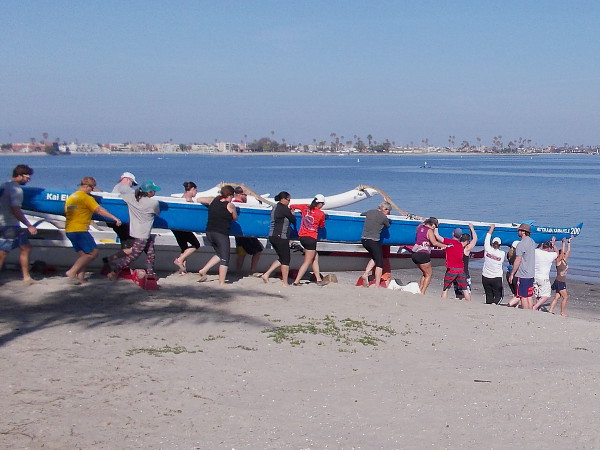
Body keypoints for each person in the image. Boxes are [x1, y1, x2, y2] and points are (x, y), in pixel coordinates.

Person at [65, 177, 122, 284]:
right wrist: (114, 218)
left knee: (84, 256)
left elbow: (70, 212)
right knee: (93, 252)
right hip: (79, 230)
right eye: (91, 188)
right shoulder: (86, 198)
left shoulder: (71, 197)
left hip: (69, 230)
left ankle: (81, 278)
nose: (92, 191)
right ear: (86, 186)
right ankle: (71, 272)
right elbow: (99, 210)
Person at [107, 181, 161, 281]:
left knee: (151, 253)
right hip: (143, 234)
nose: (155, 192)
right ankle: (114, 271)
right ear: (149, 192)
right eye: (153, 190)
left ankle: (150, 274)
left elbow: (120, 194)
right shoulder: (153, 203)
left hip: (138, 232)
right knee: (133, 255)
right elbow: (157, 213)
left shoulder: (131, 198)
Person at [0, 164, 38, 283]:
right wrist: (29, 225)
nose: (29, 179)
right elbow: (16, 209)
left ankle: (26, 277)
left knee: (26, 247)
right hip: (8, 224)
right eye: (28, 177)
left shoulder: (4, 185)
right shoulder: (16, 189)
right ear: (20, 176)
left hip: (10, 223)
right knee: (3, 253)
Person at [196, 185, 238, 285]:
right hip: (221, 233)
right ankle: (222, 282)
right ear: (230, 195)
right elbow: (235, 218)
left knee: (220, 254)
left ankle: (203, 270)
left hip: (209, 232)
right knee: (225, 258)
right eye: (232, 196)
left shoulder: (212, 200)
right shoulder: (230, 205)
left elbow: (199, 199)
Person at [102, 171, 138, 269]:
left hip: (116, 221)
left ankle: (123, 265)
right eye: (132, 183)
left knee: (126, 243)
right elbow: (137, 196)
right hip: (121, 221)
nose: (132, 185)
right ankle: (123, 266)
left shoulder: (117, 187)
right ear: (127, 179)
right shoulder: (123, 187)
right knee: (132, 246)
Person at [260, 191, 296, 286]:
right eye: (288, 200)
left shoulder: (275, 207)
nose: (289, 202)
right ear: (283, 199)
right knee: (286, 259)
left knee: (282, 258)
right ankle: (285, 282)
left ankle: (266, 274)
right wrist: (292, 214)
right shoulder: (283, 208)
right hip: (280, 236)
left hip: (273, 236)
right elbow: (293, 220)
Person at [290, 194, 327, 286]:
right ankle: (296, 281)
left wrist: (292, 211)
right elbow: (322, 225)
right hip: (311, 238)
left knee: (315, 257)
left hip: (302, 237)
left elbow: (292, 206)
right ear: (319, 204)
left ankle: (318, 279)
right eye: (322, 204)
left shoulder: (305, 207)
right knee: (307, 262)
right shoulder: (321, 213)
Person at [358, 201, 392, 288]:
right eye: (389, 211)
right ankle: (377, 285)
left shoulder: (370, 211)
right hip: (373, 241)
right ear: (385, 209)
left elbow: (362, 214)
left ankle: (365, 274)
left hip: (364, 240)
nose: (389, 213)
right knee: (379, 262)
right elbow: (388, 226)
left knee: (375, 257)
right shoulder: (383, 217)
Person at [232, 186, 264, 273]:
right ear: (239, 195)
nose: (246, 197)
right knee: (258, 250)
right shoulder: (240, 205)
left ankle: (238, 270)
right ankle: (252, 270)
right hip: (245, 232)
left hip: (238, 232)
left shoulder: (234, 204)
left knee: (241, 253)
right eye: (244, 195)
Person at [411, 217, 446, 294]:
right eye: (435, 226)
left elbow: (422, 225)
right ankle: (423, 292)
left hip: (415, 254)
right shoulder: (429, 230)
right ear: (432, 224)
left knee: (425, 273)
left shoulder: (419, 227)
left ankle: (419, 290)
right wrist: (445, 246)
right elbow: (434, 243)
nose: (435, 228)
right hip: (423, 254)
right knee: (429, 274)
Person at [172, 181, 201, 274]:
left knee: (184, 248)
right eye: (196, 190)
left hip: (177, 227)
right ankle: (179, 260)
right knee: (196, 244)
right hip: (182, 227)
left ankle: (182, 270)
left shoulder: (182, 198)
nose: (196, 192)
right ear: (192, 189)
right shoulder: (187, 200)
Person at [440, 223, 473, 301]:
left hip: (451, 269)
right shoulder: (462, 246)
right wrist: (471, 228)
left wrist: (436, 226)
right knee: (465, 289)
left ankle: (442, 302)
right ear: (460, 236)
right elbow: (474, 240)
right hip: (461, 270)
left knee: (446, 288)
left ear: (453, 234)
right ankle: (468, 303)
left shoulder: (449, 243)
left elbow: (438, 237)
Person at [508, 223, 536, 309]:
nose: (518, 231)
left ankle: (525, 313)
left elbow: (518, 260)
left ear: (523, 232)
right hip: (531, 273)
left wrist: (512, 273)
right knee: (529, 296)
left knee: (523, 296)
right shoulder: (532, 242)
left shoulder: (521, 244)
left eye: (519, 230)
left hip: (523, 274)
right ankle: (531, 312)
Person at [481, 224, 506, 304]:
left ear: (492, 244)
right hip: (496, 278)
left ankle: (489, 307)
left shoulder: (487, 249)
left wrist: (492, 228)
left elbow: (487, 237)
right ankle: (494, 307)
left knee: (489, 295)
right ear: (499, 245)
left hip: (485, 277)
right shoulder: (502, 253)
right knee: (499, 296)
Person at [549, 237, 572, 316]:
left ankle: (550, 311)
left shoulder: (564, 260)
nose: (564, 254)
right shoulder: (558, 261)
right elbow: (562, 253)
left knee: (557, 297)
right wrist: (563, 243)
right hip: (559, 281)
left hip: (561, 281)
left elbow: (568, 251)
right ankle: (562, 312)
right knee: (565, 297)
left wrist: (568, 242)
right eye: (562, 253)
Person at [533, 238, 558, 311]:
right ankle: (535, 307)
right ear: (549, 248)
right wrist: (554, 245)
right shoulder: (550, 255)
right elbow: (557, 253)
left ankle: (538, 309)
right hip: (543, 278)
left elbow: (536, 248)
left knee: (538, 295)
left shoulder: (536, 252)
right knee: (546, 296)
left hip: (535, 276)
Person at [453, 224, 477, 299]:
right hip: (464, 273)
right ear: (467, 241)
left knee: (459, 294)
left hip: (455, 273)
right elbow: (475, 239)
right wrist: (471, 228)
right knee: (467, 293)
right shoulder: (466, 249)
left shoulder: (455, 246)